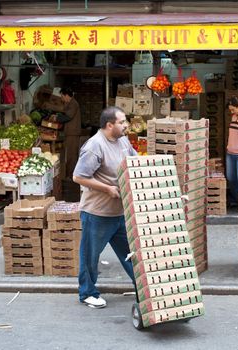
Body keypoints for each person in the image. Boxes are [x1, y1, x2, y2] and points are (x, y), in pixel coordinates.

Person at [72, 106, 136, 309]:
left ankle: (144, 286)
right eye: (122, 122)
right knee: (90, 255)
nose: (126, 125)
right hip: (97, 213)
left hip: (120, 211)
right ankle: (87, 293)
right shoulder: (95, 146)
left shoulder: (123, 141)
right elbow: (79, 176)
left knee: (132, 253)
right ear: (109, 125)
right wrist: (107, 188)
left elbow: (134, 162)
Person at [60, 87, 82, 179]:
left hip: (73, 133)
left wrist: (56, 118)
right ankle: (71, 173)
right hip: (70, 132)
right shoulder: (69, 103)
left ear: (66, 95)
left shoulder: (73, 104)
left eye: (62, 96)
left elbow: (68, 116)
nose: (61, 98)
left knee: (71, 155)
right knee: (70, 154)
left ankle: (71, 174)